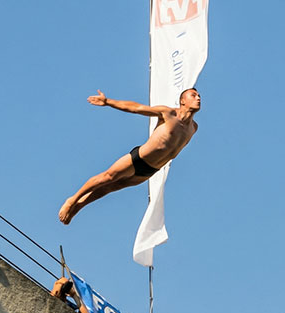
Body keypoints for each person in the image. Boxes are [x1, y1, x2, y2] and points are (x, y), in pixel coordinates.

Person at [58, 88, 201, 224]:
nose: (198, 98)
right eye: (193, 95)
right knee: (107, 177)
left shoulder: (193, 128)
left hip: (149, 171)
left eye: (198, 96)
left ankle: (79, 206)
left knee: (111, 187)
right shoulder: (169, 114)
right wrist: (108, 102)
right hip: (138, 159)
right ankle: (72, 200)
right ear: (182, 101)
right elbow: (136, 108)